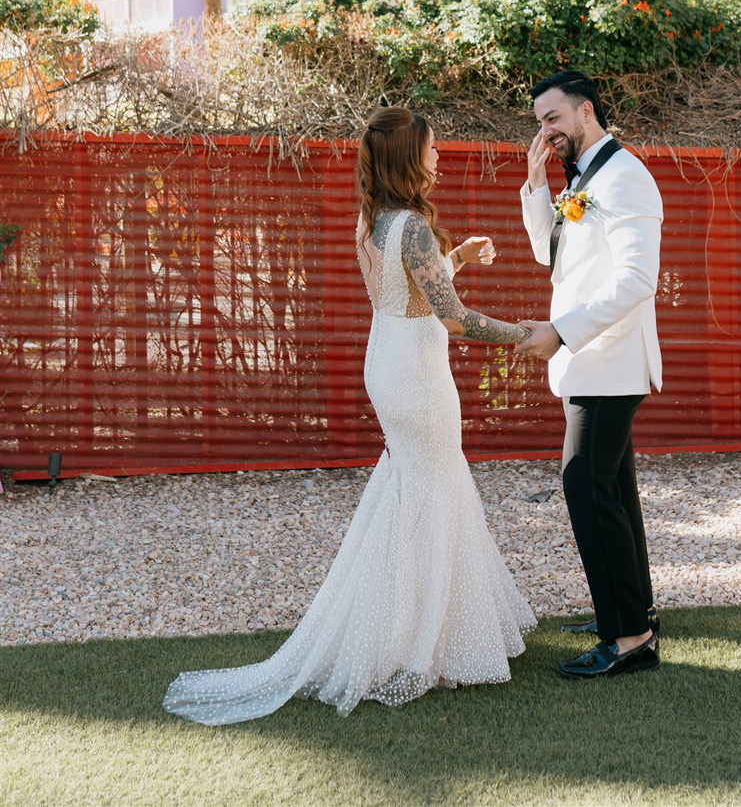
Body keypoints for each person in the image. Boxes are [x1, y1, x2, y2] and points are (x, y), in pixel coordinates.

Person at [163, 107, 534, 724]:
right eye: (433, 148)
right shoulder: (413, 228)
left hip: (389, 359)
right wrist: (528, 333)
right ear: (408, 159)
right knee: (430, 490)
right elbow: (454, 318)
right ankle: (422, 646)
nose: (440, 156)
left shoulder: (374, 219)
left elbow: (403, 292)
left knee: (414, 488)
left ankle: (415, 628)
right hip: (417, 374)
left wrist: (458, 257)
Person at [515, 70, 663, 680]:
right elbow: (550, 256)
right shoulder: (584, 177)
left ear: (586, 112)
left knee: (586, 485)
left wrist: (562, 332)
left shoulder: (625, 176)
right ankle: (637, 610)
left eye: (552, 119)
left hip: (609, 361)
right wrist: (535, 186)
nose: (544, 132)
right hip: (591, 362)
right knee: (615, 489)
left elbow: (636, 280)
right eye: (538, 124)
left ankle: (627, 638)